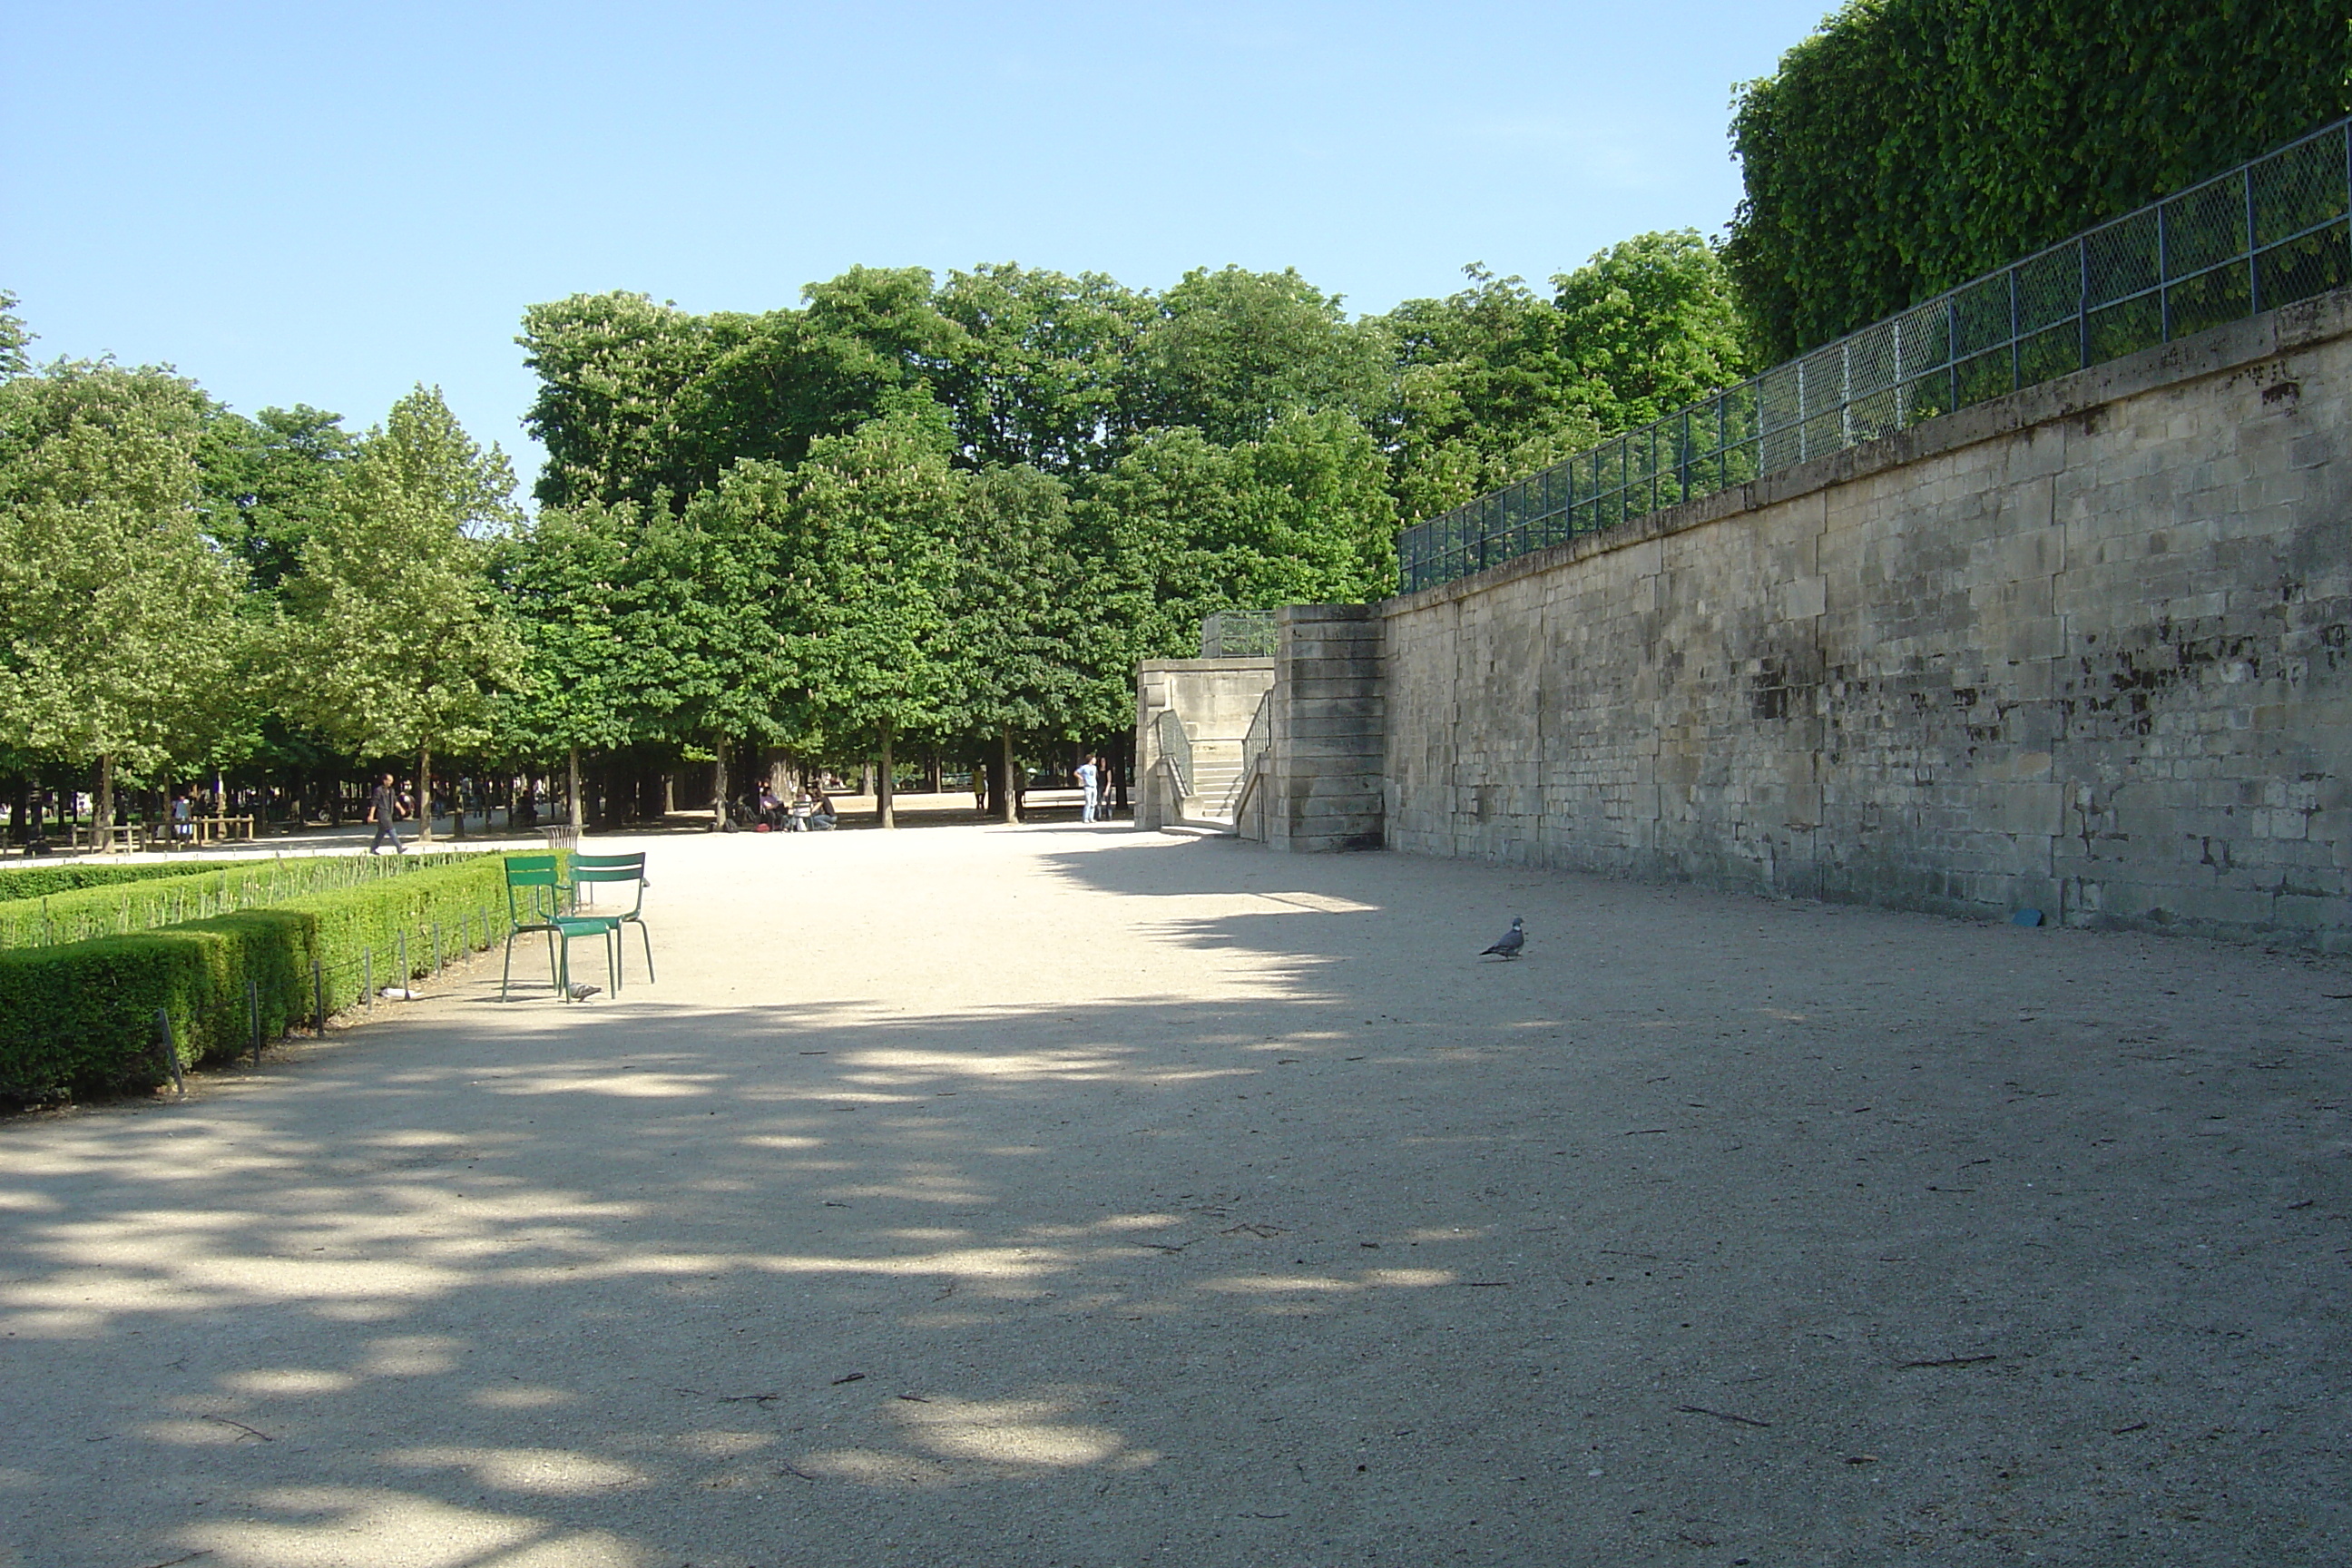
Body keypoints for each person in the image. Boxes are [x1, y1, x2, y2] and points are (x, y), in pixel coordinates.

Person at [369, 772, 406, 855]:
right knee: (391, 830)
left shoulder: (391, 790)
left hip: (389, 813)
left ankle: (373, 848)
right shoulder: (378, 790)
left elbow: (395, 801)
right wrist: (371, 815)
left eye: (391, 781)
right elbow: (374, 803)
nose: (390, 782)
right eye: (389, 780)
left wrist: (401, 809)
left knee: (381, 832)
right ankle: (399, 848)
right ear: (384, 781)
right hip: (382, 813)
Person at [1077, 755, 1099, 823]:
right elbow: (1076, 773)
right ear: (1091, 760)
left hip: (1094, 786)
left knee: (1093, 803)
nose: (1095, 761)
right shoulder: (1084, 767)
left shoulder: (1094, 768)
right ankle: (1085, 818)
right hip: (1088, 787)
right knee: (1088, 803)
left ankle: (1091, 817)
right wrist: (1082, 778)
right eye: (1094, 759)